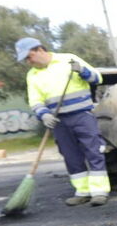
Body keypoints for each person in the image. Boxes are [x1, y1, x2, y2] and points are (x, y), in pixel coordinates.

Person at [15, 37, 110, 206]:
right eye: (26, 60)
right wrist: (43, 114)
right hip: (59, 121)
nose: (28, 62)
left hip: (82, 116)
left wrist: (82, 70)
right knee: (71, 157)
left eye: (29, 57)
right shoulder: (33, 75)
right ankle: (83, 192)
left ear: (39, 50)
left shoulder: (68, 59)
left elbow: (97, 79)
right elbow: (35, 100)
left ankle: (99, 192)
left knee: (94, 152)